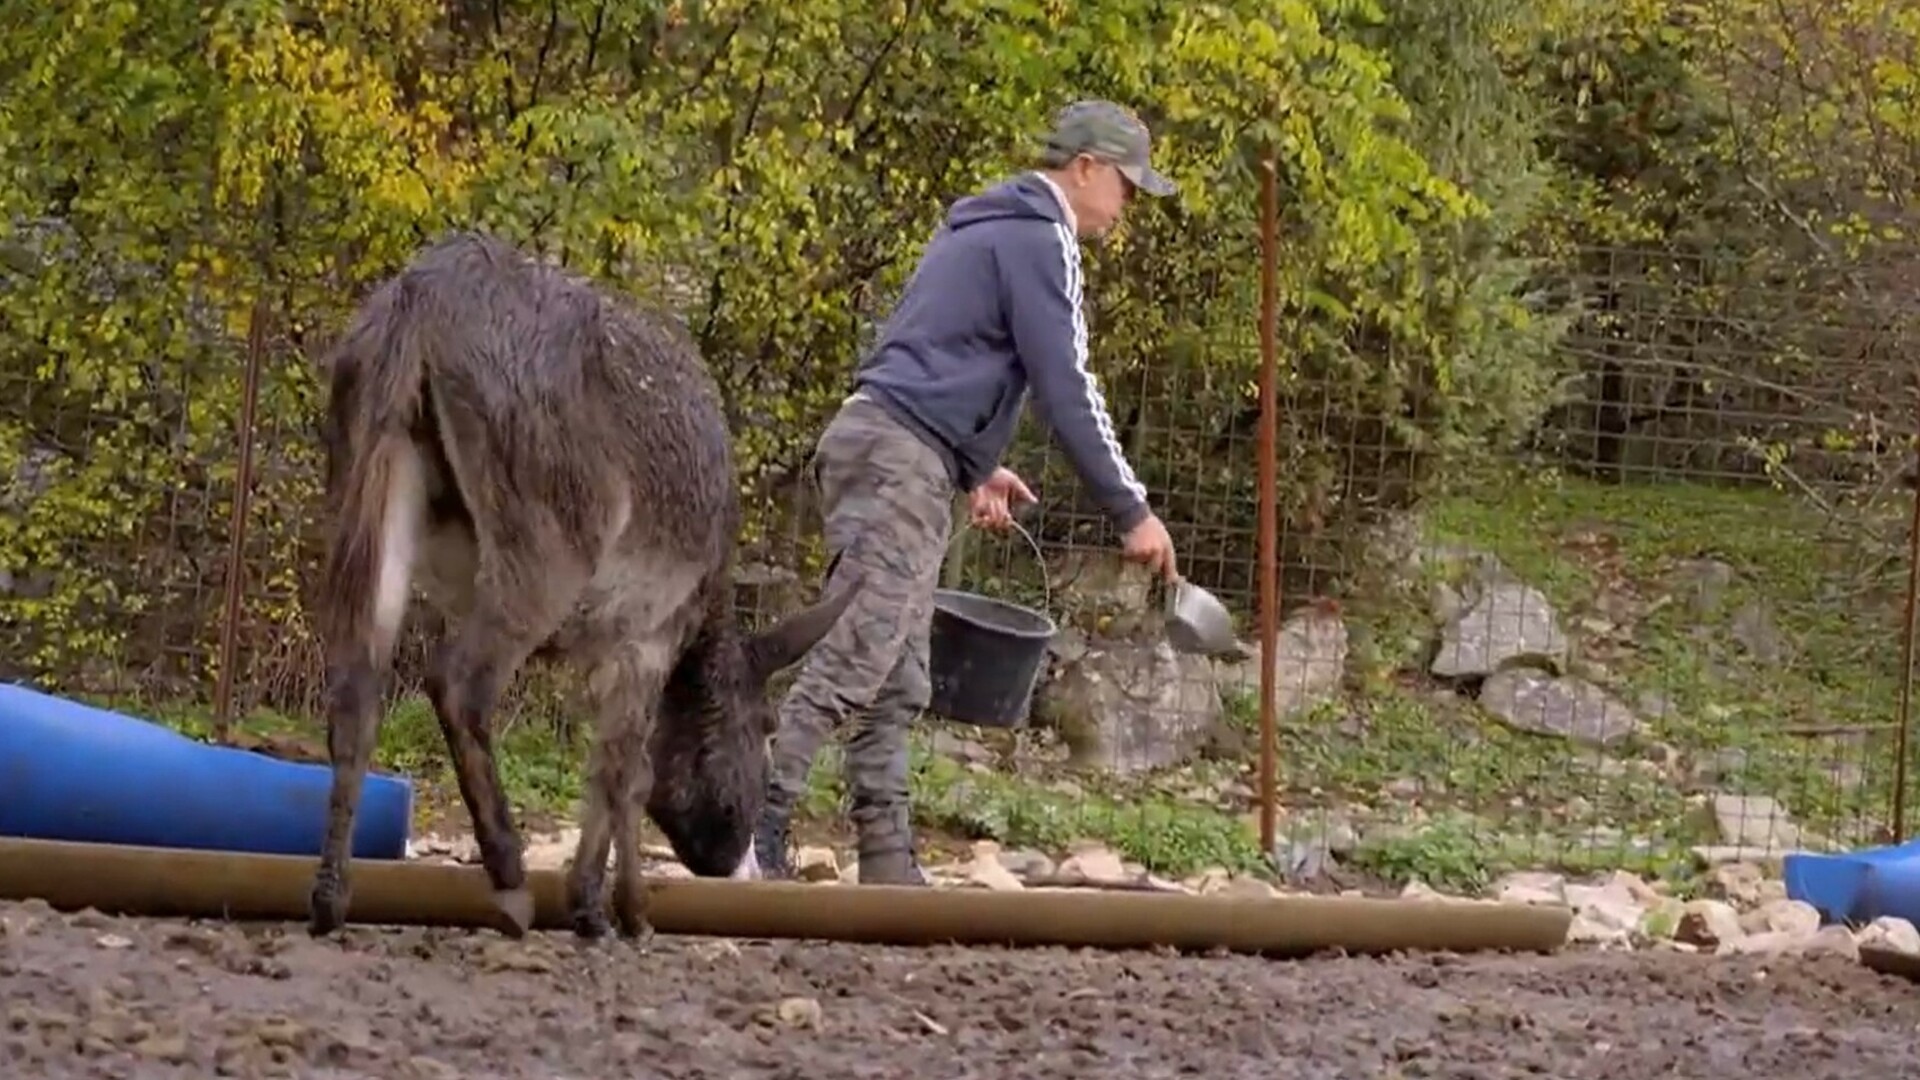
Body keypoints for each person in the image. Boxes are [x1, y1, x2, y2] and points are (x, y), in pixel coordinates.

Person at [753, 99, 1182, 884]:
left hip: (890, 445)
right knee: (858, 654)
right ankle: (752, 826)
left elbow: (930, 352)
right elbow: (1066, 384)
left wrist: (975, 464)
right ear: (1085, 169)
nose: (1128, 205)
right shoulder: (1039, 238)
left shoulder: (982, 228)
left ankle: (887, 861)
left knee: (896, 673)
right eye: (1126, 185)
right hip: (898, 462)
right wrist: (1133, 511)